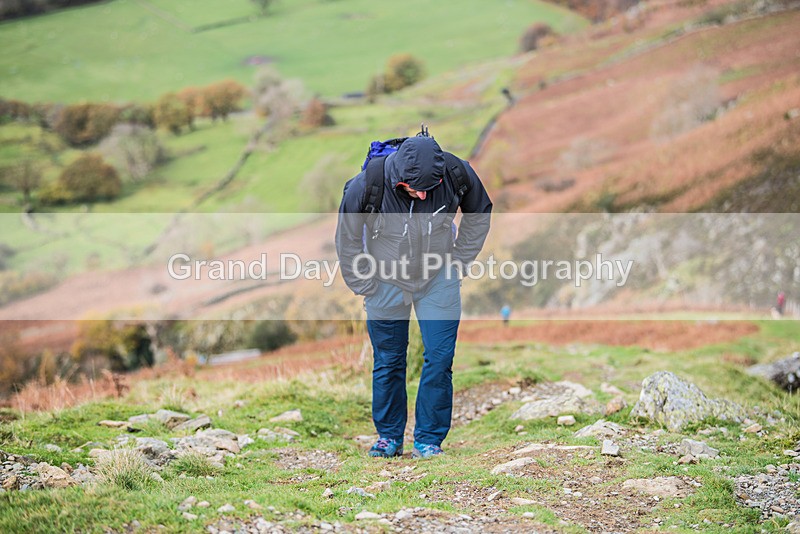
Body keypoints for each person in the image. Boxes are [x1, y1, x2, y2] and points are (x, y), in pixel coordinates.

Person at [335, 135, 492, 459]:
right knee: (389, 360)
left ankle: (428, 440)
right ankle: (389, 438)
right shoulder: (367, 184)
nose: (422, 195)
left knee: (440, 357)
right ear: (399, 178)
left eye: (428, 189)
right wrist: (364, 283)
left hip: (438, 278)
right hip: (384, 282)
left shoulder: (455, 173)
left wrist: (459, 262)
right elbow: (347, 236)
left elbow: (480, 211)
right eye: (414, 189)